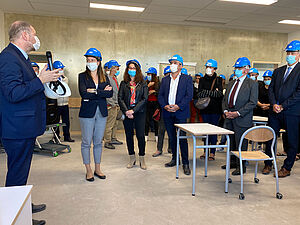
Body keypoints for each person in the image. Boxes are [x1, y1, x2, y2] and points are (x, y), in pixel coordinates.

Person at [0, 21, 61, 225]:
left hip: (24, 126)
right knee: (17, 171)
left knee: (21, 170)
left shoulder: (20, 57)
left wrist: (43, 79)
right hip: (17, 128)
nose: (36, 38)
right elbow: (13, 93)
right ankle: (17, 214)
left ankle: (23, 204)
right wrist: (40, 80)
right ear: (25, 35)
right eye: (34, 34)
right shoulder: (9, 58)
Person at [262, 40, 300, 177]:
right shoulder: (278, 71)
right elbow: (271, 89)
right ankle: (268, 163)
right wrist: (274, 104)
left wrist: (283, 105)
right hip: (275, 112)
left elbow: (299, 93)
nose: (289, 55)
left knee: (292, 141)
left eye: (293, 53)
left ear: (299, 54)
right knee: (270, 138)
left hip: (292, 112)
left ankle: (287, 167)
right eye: (288, 52)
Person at [78, 48, 113, 182]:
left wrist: (94, 91)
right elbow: (84, 94)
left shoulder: (105, 77)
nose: (89, 62)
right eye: (88, 60)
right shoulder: (82, 76)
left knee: (98, 142)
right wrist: (101, 92)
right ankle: (88, 169)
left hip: (102, 112)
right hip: (87, 113)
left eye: (92, 60)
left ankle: (97, 168)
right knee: (87, 142)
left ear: (98, 62)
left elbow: (109, 94)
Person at [222, 57, 258, 175]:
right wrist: (226, 111)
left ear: (246, 69)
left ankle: (241, 166)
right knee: (231, 142)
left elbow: (252, 102)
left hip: (242, 118)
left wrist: (238, 113)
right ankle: (232, 162)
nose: (236, 70)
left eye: (239, 68)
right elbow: (225, 99)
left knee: (241, 143)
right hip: (229, 118)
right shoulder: (231, 82)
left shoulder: (252, 84)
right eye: (235, 68)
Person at [158, 54, 193, 175]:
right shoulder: (165, 80)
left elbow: (189, 96)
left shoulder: (187, 79)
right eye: (171, 63)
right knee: (172, 137)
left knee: (182, 138)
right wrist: (165, 106)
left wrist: (178, 106)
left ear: (181, 66)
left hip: (181, 113)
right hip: (167, 112)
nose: (172, 65)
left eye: (175, 63)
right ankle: (174, 158)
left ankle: (185, 163)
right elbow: (160, 95)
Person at [118, 59, 148, 169]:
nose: (132, 70)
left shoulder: (143, 83)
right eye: (130, 68)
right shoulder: (123, 83)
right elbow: (120, 98)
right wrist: (127, 111)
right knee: (129, 136)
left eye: (134, 68)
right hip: (127, 113)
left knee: (140, 136)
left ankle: (142, 158)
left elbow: (144, 99)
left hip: (139, 112)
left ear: (138, 70)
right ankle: (132, 158)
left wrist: (133, 110)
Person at [198, 59, 223, 161]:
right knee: (205, 132)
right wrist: (212, 92)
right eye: (207, 67)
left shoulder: (219, 80)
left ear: (215, 69)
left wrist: (206, 92)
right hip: (205, 109)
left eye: (211, 67)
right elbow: (199, 94)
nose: (208, 69)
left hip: (215, 110)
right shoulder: (202, 80)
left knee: (213, 131)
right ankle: (205, 151)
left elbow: (219, 94)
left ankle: (212, 152)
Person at [152, 66, 172, 157]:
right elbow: (159, 96)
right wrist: (163, 106)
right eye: (166, 74)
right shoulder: (162, 83)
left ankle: (171, 148)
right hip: (164, 110)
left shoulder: (175, 83)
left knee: (172, 131)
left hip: (173, 110)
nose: (167, 76)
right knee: (161, 130)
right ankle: (159, 149)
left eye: (169, 74)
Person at [53, 60, 74, 142]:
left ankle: (67, 136)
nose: (61, 70)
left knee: (66, 121)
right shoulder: (52, 79)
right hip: (56, 104)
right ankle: (56, 136)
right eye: (59, 69)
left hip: (65, 103)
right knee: (56, 122)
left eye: (62, 68)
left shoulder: (65, 79)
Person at [103, 60, 123, 149]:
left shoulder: (115, 78)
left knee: (115, 123)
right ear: (112, 68)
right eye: (116, 68)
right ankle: (107, 141)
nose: (117, 69)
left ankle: (113, 138)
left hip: (116, 104)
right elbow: (107, 93)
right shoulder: (107, 79)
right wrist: (112, 103)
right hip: (111, 105)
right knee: (110, 124)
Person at [145, 67, 160, 142]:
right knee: (146, 120)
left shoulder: (158, 83)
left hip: (155, 104)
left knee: (156, 120)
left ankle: (157, 135)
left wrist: (154, 91)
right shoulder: (145, 83)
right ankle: (146, 135)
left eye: (150, 74)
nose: (148, 75)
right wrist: (147, 87)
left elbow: (160, 93)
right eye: (148, 74)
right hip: (147, 103)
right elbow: (142, 92)